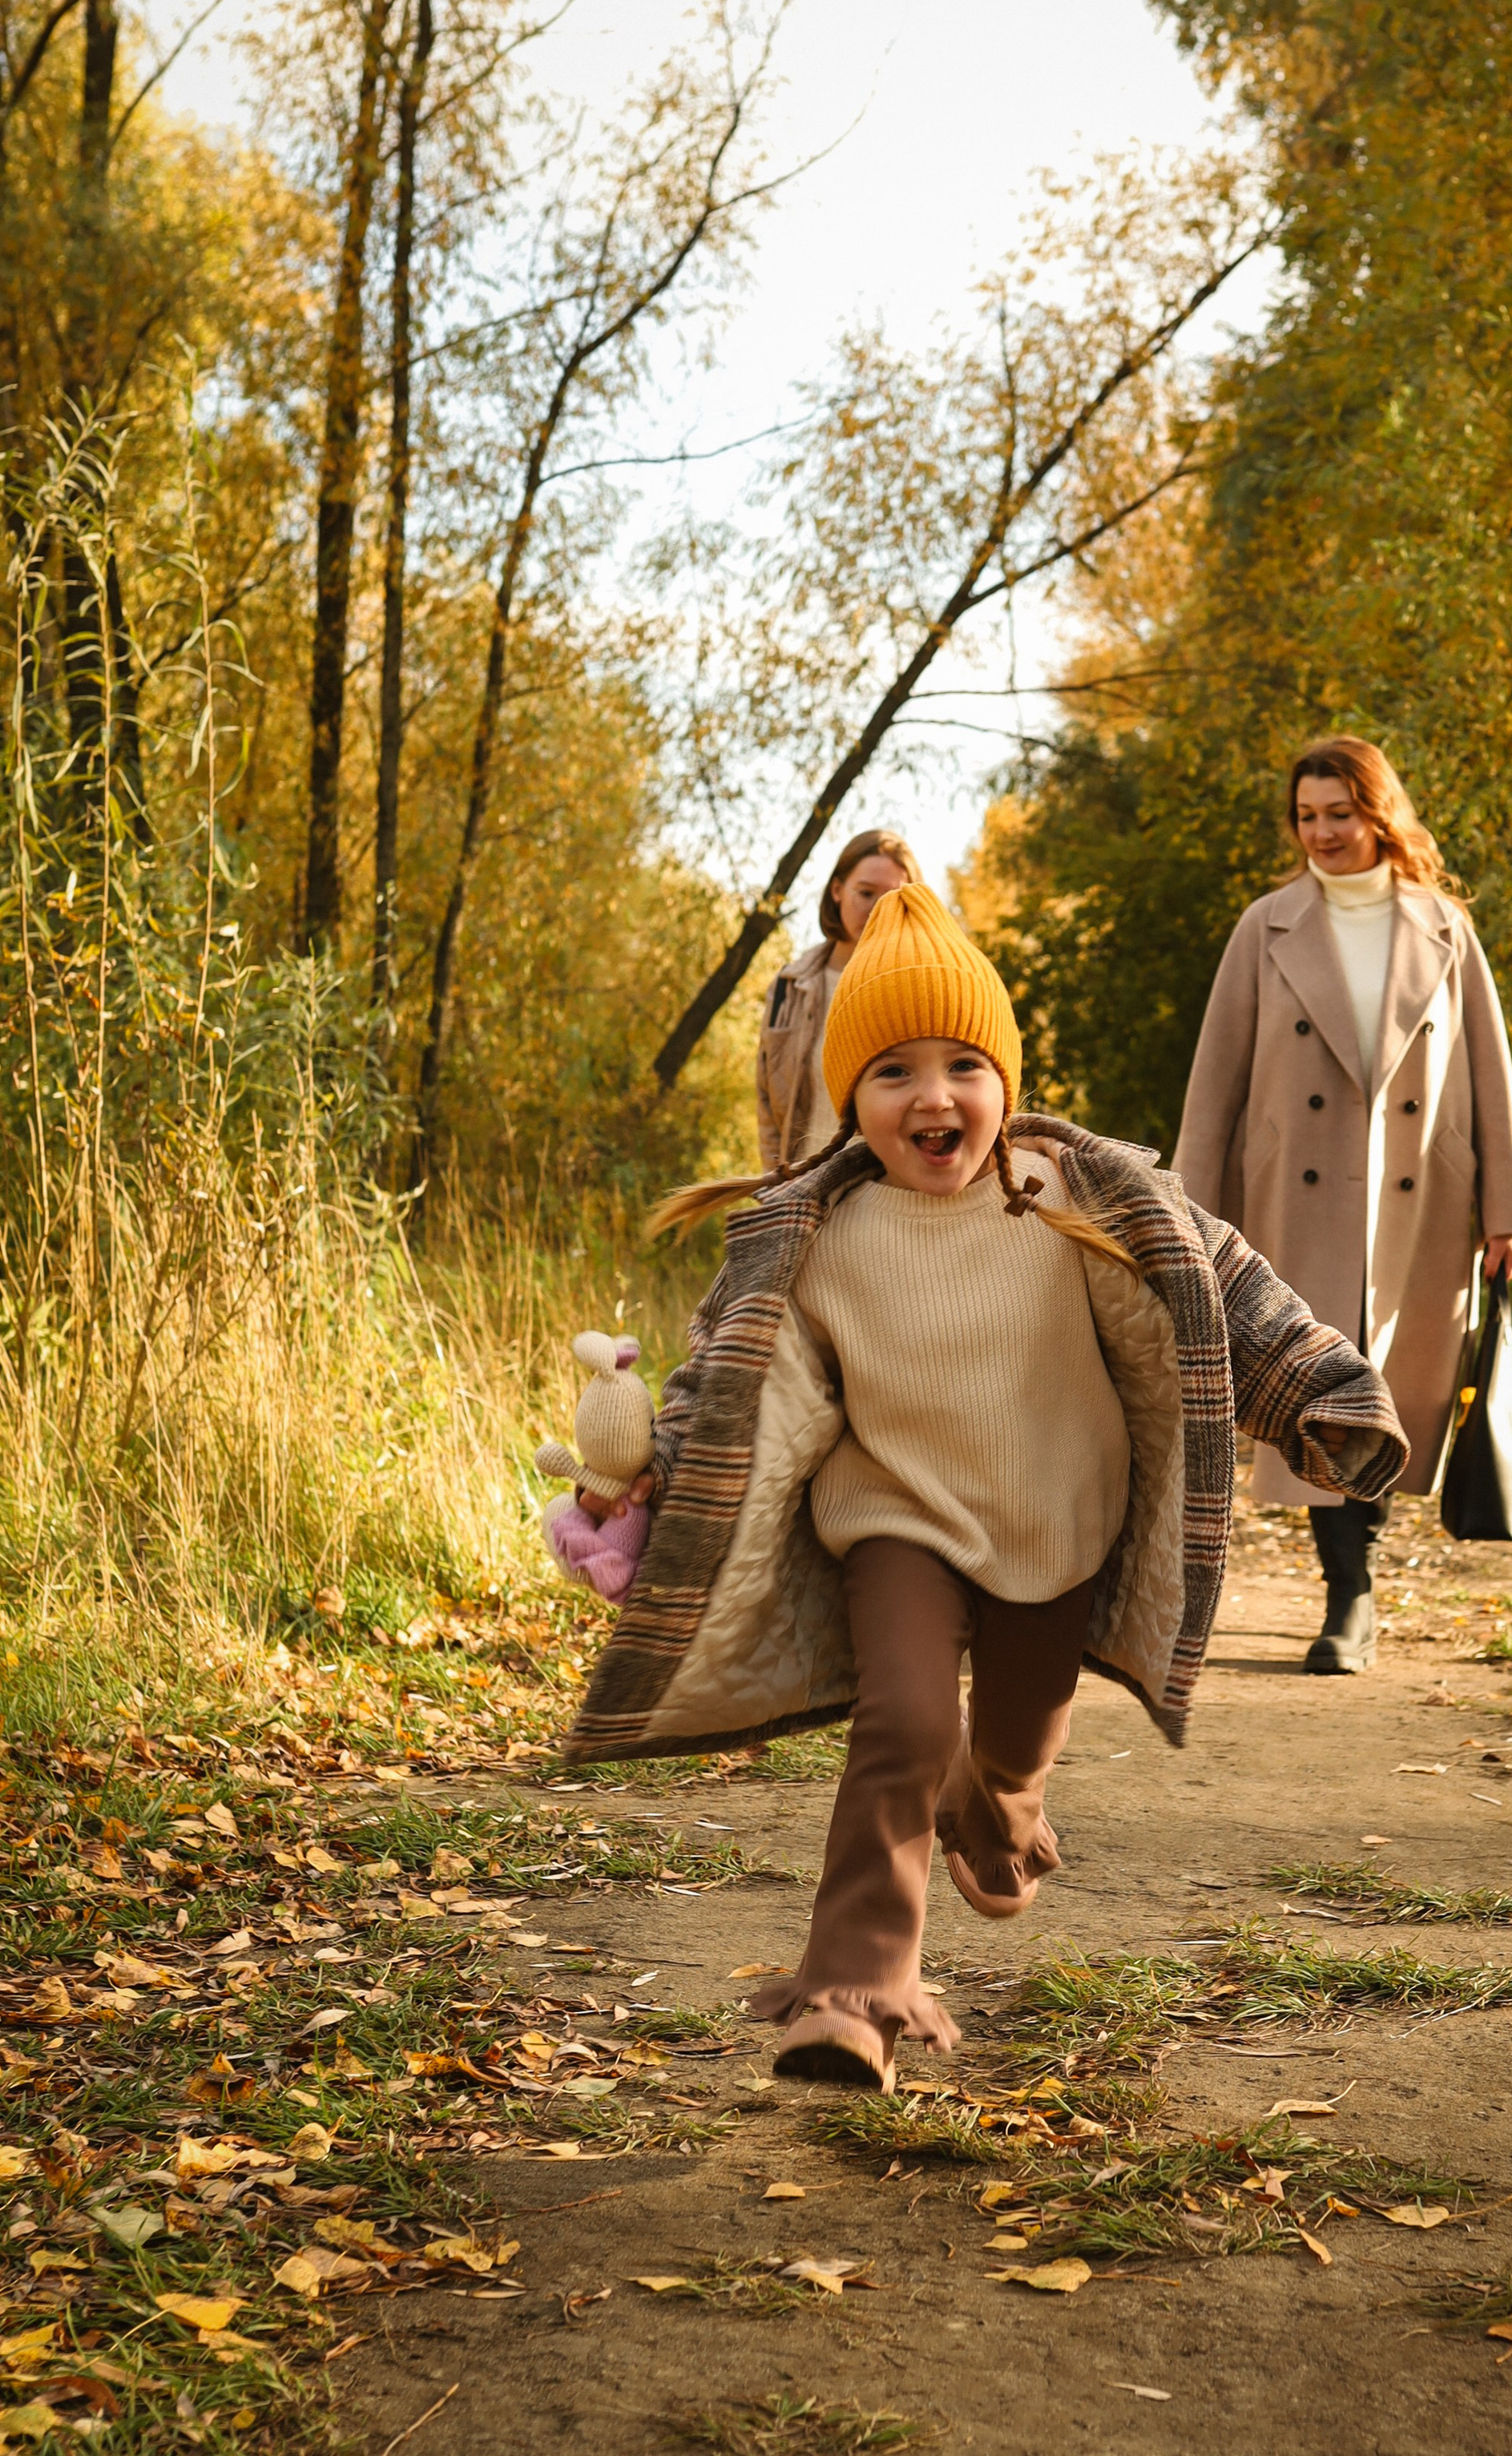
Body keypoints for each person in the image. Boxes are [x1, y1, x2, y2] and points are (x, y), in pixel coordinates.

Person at [564, 883, 1407, 2092]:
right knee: (903, 1726)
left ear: (1007, 1083)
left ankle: (998, 1801)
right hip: (893, 1520)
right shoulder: (816, 1233)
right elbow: (732, 1381)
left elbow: (1230, 1295)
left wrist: (1324, 1392)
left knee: (1011, 1744)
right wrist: (650, 1482)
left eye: (965, 1063)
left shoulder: (1087, 1198)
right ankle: (855, 1993)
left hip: (1057, 1527)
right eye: (894, 1071)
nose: (934, 1095)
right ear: (849, 1099)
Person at [1173, 736, 1512, 1677]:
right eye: (1307, 817)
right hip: (1294, 1201)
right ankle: (1351, 1594)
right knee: (1324, 1391)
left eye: (1340, 813)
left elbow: (1489, 1075)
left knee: (1396, 1385)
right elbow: (1214, 1084)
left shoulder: (1445, 928)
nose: (1323, 833)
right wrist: (1187, 1217)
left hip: (1421, 1199)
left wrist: (1506, 1211)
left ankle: (1355, 1583)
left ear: (1379, 814)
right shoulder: (1266, 927)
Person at [755, 829, 923, 1171]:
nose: (878, 911)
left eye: (893, 898)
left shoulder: (920, 986)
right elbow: (767, 1100)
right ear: (837, 891)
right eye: (866, 893)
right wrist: (773, 1186)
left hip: (886, 1197)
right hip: (802, 1191)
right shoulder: (790, 986)